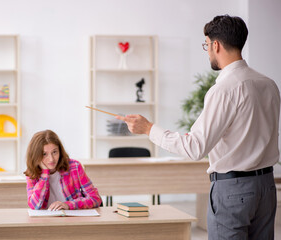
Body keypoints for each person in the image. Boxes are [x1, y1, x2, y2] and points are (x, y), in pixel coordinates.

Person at [117, 15, 280, 240]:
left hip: (233, 189)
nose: (208, 52)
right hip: (266, 187)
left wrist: (148, 129)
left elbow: (195, 148)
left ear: (216, 45)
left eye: (207, 46)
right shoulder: (269, 84)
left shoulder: (224, 89)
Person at [24, 130, 102, 211]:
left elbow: (95, 198)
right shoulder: (32, 173)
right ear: (36, 155)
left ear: (60, 151)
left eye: (54, 152)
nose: (51, 159)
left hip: (72, 220)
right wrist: (44, 175)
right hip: (46, 221)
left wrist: (68, 205)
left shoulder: (74, 167)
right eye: (44, 154)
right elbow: (34, 206)